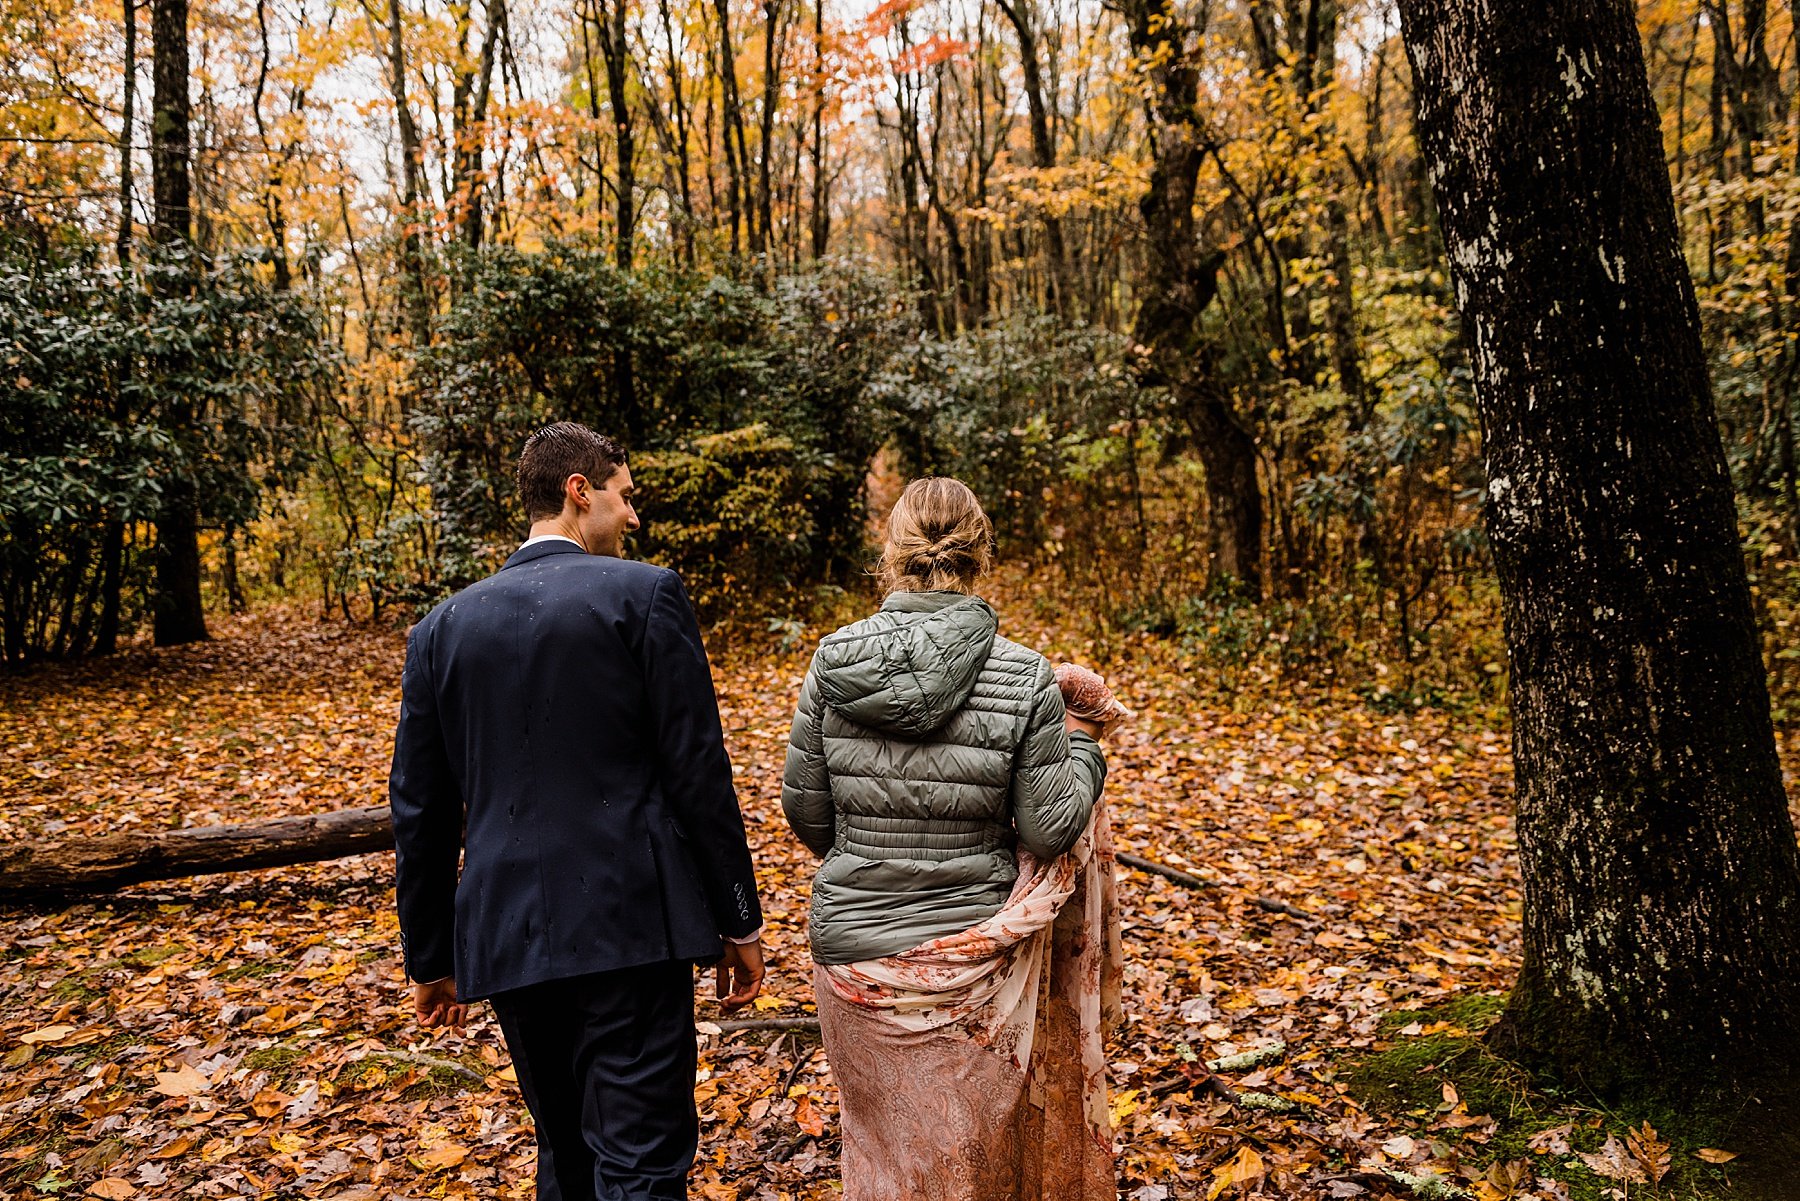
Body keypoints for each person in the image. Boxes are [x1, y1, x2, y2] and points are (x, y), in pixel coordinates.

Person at [388, 421, 766, 1201]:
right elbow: (698, 771)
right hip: (633, 926)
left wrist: (431, 958)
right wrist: (740, 919)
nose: (633, 516)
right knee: (642, 1161)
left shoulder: (441, 631)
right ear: (578, 491)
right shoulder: (646, 595)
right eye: (625, 496)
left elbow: (420, 813)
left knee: (565, 1153)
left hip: (510, 933)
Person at [781, 476, 1125, 1201]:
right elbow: (1049, 826)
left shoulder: (832, 661)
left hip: (855, 962)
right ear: (981, 555)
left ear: (892, 551)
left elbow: (810, 818)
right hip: (975, 968)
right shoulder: (1022, 673)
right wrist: (1086, 748)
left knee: (882, 1159)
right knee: (968, 1170)